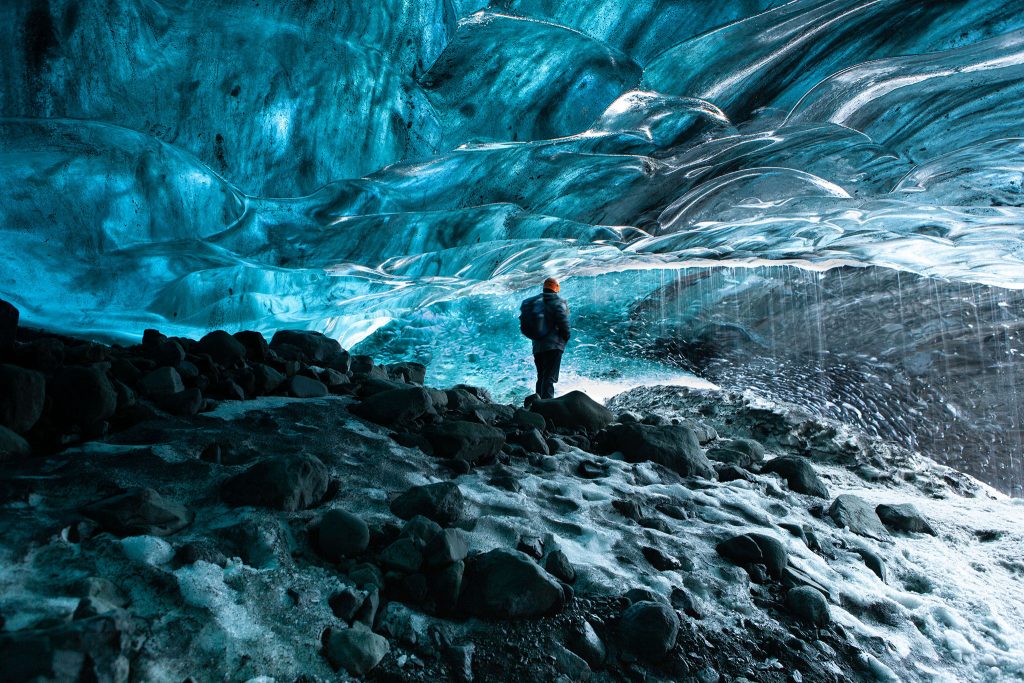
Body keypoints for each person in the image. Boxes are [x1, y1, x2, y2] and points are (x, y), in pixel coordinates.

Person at [519, 277, 571, 400]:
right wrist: (565, 338)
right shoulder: (557, 301)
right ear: (556, 288)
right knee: (549, 378)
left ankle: (538, 403)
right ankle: (547, 405)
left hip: (537, 346)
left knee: (541, 376)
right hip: (554, 346)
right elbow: (563, 322)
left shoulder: (534, 302)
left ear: (544, 287)